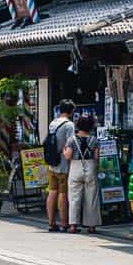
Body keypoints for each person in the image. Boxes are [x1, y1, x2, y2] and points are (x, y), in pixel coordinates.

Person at [64, 115, 102, 234]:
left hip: (75, 167)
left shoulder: (72, 139)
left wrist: (64, 151)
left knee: (74, 198)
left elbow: (68, 156)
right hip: (90, 167)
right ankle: (91, 226)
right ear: (91, 126)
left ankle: (73, 226)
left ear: (77, 125)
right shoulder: (94, 139)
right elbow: (96, 157)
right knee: (91, 198)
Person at [45, 100, 75, 232]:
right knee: (63, 194)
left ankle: (51, 222)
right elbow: (70, 144)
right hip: (63, 164)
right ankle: (64, 223)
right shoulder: (69, 125)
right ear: (71, 111)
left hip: (52, 163)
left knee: (52, 192)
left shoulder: (53, 123)